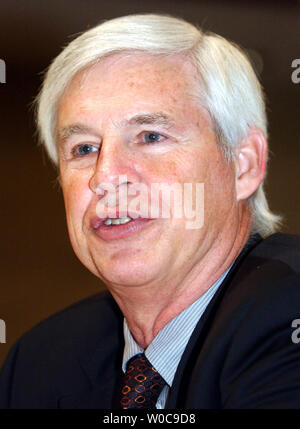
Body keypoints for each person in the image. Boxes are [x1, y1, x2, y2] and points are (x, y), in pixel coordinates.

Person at [0, 13, 299, 409]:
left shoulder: (287, 317)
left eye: (150, 136)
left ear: (243, 165)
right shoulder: (40, 361)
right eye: (84, 148)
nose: (104, 177)